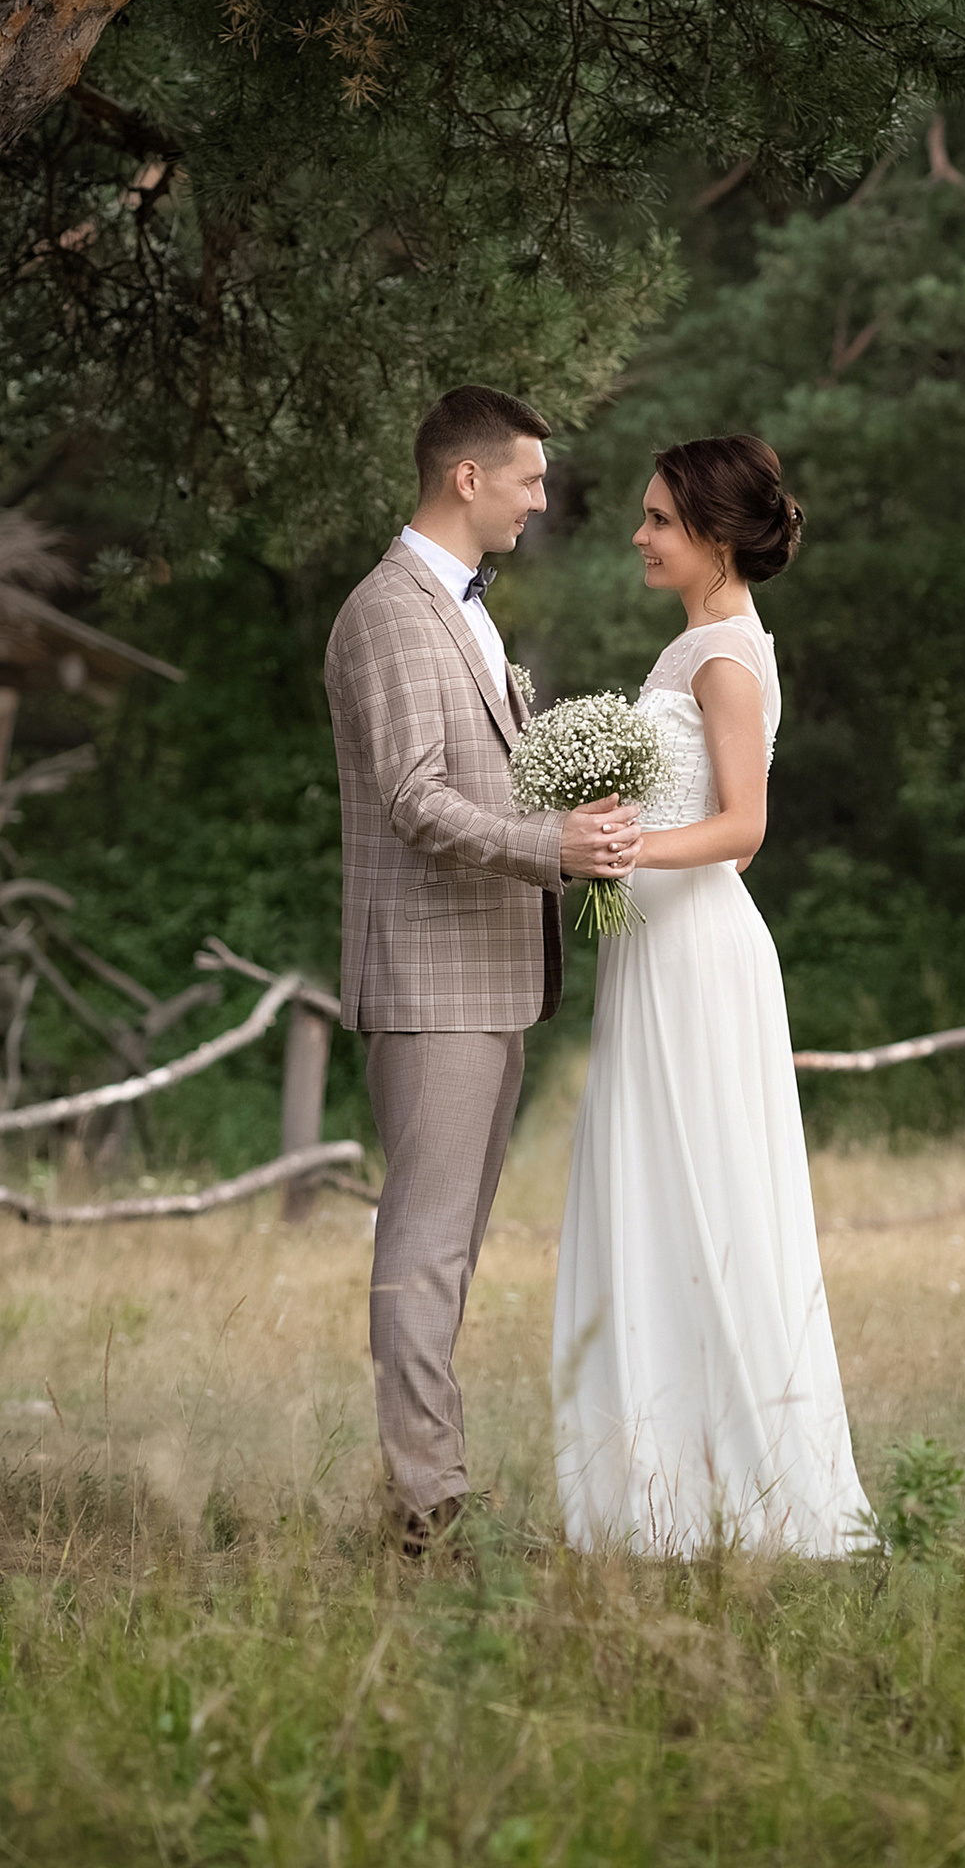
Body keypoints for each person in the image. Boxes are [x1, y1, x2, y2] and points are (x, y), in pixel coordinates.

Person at [323, 384, 642, 1556]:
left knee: (448, 1239)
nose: (541, 499)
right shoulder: (392, 611)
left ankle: (430, 1482)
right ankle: (424, 1502)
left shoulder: (462, 609)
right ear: (467, 477)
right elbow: (412, 797)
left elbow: (482, 780)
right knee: (425, 1239)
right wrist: (547, 846)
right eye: (529, 478)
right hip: (431, 978)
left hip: (490, 974)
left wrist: (577, 817)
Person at [552, 433, 875, 1556]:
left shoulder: (724, 656)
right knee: (655, 1197)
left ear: (718, 536)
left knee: (703, 1198)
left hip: (696, 960)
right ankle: (660, 1494)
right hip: (657, 954)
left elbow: (744, 832)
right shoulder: (693, 646)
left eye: (657, 520)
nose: (637, 536)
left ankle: (746, 1494)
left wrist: (620, 851)